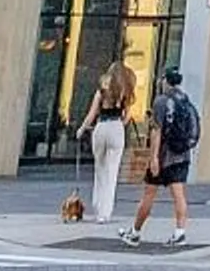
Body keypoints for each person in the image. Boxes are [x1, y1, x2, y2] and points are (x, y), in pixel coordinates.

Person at [121, 69, 198, 248]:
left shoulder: (161, 102)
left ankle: (135, 232)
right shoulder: (186, 100)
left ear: (165, 81)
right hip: (182, 154)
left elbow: (156, 130)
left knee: (149, 193)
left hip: (164, 155)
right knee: (179, 195)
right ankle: (180, 231)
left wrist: (153, 157)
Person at [83, 58, 137, 223]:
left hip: (101, 127)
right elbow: (128, 116)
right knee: (112, 171)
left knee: (99, 168)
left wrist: (82, 128)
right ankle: (105, 213)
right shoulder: (125, 93)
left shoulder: (102, 91)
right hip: (116, 128)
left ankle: (97, 204)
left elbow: (92, 114)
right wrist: (121, 125)